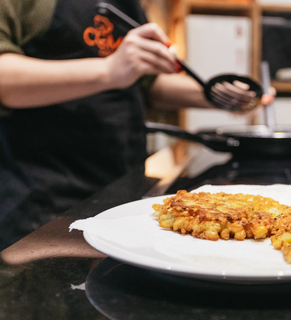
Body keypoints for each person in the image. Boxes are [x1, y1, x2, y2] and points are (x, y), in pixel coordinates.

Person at [0, 0, 272, 249]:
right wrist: (109, 71)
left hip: (122, 184)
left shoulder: (127, 5)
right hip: (42, 199)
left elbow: (147, 85)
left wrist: (220, 96)